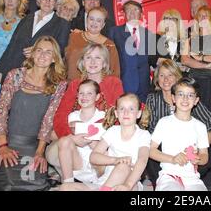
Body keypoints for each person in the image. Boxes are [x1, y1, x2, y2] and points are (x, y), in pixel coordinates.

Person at [0, 36, 68, 191]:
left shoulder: (59, 84)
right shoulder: (15, 75)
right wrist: (3, 145)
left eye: (48, 52)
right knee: (8, 184)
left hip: (34, 145)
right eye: (39, 50)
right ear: (32, 53)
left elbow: (48, 120)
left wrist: (40, 152)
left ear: (54, 58)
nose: (42, 55)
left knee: (36, 185)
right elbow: (2, 110)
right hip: (8, 141)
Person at [47, 43, 123, 174]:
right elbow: (60, 116)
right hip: (76, 140)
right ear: (83, 61)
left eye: (98, 58)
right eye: (88, 58)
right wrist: (71, 137)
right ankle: (69, 180)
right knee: (53, 151)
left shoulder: (113, 83)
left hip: (104, 140)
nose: (93, 62)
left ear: (105, 63)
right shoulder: (75, 85)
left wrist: (91, 133)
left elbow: (119, 116)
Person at [145, 59, 211, 185]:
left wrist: (199, 147)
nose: (166, 79)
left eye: (170, 75)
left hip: (189, 153)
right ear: (157, 79)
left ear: (177, 77)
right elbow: (147, 128)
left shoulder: (188, 99)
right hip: (162, 150)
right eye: (162, 75)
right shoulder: (153, 99)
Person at [59, 93, 151, 191]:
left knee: (123, 167)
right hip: (105, 183)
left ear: (138, 114)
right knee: (66, 187)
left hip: (129, 184)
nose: (126, 112)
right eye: (122, 109)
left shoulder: (143, 135)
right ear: (116, 113)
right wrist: (115, 160)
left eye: (131, 109)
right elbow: (93, 157)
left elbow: (142, 160)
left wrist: (128, 185)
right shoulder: (112, 131)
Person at [181, 5, 211, 189]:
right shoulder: (190, 37)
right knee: (194, 122)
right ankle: (191, 170)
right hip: (195, 83)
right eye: (199, 15)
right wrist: (207, 62)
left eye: (206, 15)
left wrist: (199, 57)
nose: (202, 18)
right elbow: (185, 59)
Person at [0, 0, 70, 82]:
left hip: (39, 77)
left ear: (56, 2)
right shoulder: (26, 19)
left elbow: (59, 52)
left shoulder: (62, 24)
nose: (47, 1)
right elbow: (11, 45)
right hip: (13, 72)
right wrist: (0, 69)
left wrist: (38, 51)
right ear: (39, 0)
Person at [150, 77, 209, 191]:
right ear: (173, 98)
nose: (185, 99)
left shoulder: (200, 126)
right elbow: (151, 150)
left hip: (192, 178)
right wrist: (173, 159)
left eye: (190, 95)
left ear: (196, 100)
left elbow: (204, 156)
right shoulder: (164, 122)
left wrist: (198, 159)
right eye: (180, 94)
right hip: (169, 176)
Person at [58, 79, 105, 184]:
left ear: (97, 97)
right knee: (64, 141)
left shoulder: (103, 117)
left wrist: (82, 129)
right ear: (77, 96)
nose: (84, 96)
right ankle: (68, 183)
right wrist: (72, 137)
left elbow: (105, 147)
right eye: (81, 93)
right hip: (77, 163)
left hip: (97, 165)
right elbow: (55, 134)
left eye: (89, 93)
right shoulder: (72, 116)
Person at [108, 0, 155, 102]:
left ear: (141, 14)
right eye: (128, 10)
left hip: (144, 85)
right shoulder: (114, 32)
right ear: (124, 14)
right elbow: (110, 58)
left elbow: (152, 59)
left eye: (135, 10)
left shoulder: (149, 34)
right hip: (123, 83)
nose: (132, 12)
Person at [65, 6, 120, 80]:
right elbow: (62, 61)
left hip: (97, 89)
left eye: (99, 20)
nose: (94, 23)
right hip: (72, 85)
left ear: (103, 24)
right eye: (91, 19)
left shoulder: (109, 45)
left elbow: (114, 73)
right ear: (86, 20)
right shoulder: (73, 37)